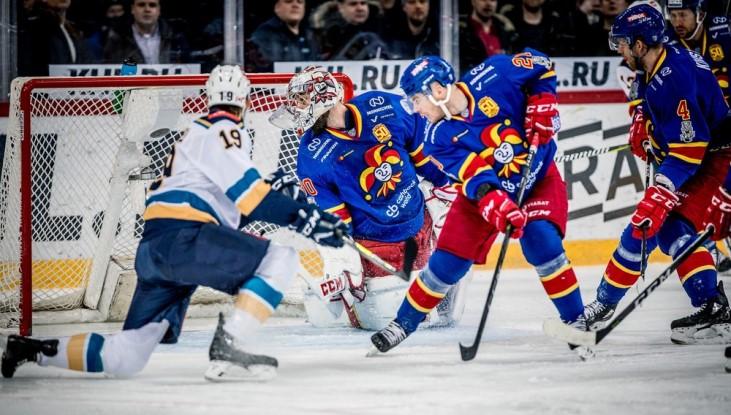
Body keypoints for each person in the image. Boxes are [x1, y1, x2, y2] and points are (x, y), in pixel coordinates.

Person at [1, 65, 348, 381]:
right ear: (244, 101)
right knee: (280, 259)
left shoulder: (193, 134)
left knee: (127, 356)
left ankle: (31, 350)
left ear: (209, 99)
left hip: (155, 250)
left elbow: (227, 209)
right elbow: (251, 198)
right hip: (186, 239)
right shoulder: (225, 131)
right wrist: (307, 218)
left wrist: (277, 195)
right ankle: (230, 343)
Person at [370, 48, 587, 353]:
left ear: (437, 90)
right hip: (484, 195)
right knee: (447, 263)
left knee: (542, 242)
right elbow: (475, 178)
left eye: (416, 100)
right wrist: (495, 203)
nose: (415, 109)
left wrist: (543, 99)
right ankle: (402, 324)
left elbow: (541, 63)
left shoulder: (495, 73)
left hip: (537, 178)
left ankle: (577, 323)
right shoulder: (436, 138)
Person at [580, 3, 731, 345]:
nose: (619, 50)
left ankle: (604, 303)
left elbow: (691, 148)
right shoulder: (658, 61)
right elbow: (654, 105)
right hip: (698, 154)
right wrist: (643, 121)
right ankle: (712, 305)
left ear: (639, 44)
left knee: (645, 226)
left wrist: (663, 189)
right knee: (672, 232)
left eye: (622, 44)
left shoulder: (674, 79)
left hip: (709, 160)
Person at [270, 67, 462, 330]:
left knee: (445, 303)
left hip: (420, 223)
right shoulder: (311, 155)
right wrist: (342, 255)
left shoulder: (382, 105)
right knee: (395, 319)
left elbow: (419, 148)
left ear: (322, 97)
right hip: (376, 246)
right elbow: (335, 216)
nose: (296, 108)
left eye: (302, 100)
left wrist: (447, 183)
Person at [666, 0, 731, 104]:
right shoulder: (665, 45)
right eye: (673, 16)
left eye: (683, 15)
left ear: (700, 15)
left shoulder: (725, 29)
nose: (677, 23)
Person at [103, 0, 189, 64]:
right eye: (141, 5)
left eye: (152, 5)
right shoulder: (117, 38)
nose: (147, 9)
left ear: (159, 10)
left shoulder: (175, 36)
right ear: (132, 9)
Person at [249, 0, 321, 72]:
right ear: (277, 7)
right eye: (288, 1)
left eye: (300, 2)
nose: (295, 5)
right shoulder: (265, 34)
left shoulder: (309, 35)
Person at [459, 0, 516, 73]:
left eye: (492, 0)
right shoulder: (461, 31)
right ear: (473, 1)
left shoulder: (507, 30)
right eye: (483, 0)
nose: (488, 4)